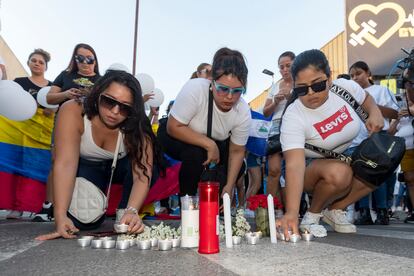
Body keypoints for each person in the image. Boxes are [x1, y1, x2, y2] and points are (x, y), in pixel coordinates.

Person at [36, 70, 164, 240]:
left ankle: (124, 214)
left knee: (150, 167)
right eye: (109, 101)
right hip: (86, 166)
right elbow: (65, 163)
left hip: (121, 168)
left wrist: (133, 210)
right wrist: (60, 216)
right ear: (97, 94)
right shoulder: (73, 110)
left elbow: (142, 173)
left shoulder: (138, 123)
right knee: (82, 223)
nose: (115, 111)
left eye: (125, 107)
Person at [276, 49, 384, 239]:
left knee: (381, 162)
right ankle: (311, 215)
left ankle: (335, 210)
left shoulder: (344, 87)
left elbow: (367, 100)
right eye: (301, 89)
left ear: (329, 77)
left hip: (346, 155)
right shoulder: (294, 115)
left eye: (317, 85)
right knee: (340, 171)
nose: (310, 93)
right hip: (309, 168)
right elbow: (294, 164)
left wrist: (375, 113)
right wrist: (291, 212)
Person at [158, 47, 250, 201]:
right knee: (196, 153)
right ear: (211, 82)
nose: (229, 97)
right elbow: (173, 127)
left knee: (237, 167)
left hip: (213, 141)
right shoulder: (195, 88)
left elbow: (237, 151)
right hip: (175, 133)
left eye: (237, 91)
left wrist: (229, 185)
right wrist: (209, 144)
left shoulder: (243, 111)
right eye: (223, 89)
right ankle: (187, 205)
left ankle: (217, 206)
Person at [33, 43, 101, 222]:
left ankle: (75, 206)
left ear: (95, 60)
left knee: (83, 163)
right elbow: (48, 97)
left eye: (89, 59)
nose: (85, 62)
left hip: (89, 125)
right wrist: (67, 94)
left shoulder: (102, 80)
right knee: (58, 161)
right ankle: (48, 205)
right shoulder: (66, 75)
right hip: (64, 123)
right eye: (80, 58)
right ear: (74, 59)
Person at [5, 49, 54, 219]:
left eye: (41, 62)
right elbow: (8, 100)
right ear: (28, 63)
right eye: (34, 60)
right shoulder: (19, 82)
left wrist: (50, 110)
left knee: (40, 169)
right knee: (18, 167)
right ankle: (16, 208)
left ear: (46, 66)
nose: (37, 64)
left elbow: (58, 107)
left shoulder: (52, 87)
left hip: (43, 136)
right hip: (20, 133)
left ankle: (37, 206)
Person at [349, 61, 399, 225]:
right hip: (357, 140)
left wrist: (371, 105)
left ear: (368, 72)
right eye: (352, 76)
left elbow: (394, 112)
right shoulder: (351, 95)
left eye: (358, 73)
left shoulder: (380, 90)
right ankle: (364, 212)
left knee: (379, 175)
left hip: (378, 137)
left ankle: (382, 211)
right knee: (360, 175)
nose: (355, 78)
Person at [263, 51, 295, 203]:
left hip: (295, 126)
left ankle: (293, 206)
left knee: (292, 169)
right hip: (276, 127)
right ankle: (269, 208)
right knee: (274, 170)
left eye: (288, 65)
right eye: (281, 67)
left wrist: (292, 97)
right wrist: (275, 101)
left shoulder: (301, 82)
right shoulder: (275, 86)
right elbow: (265, 112)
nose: (284, 70)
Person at [390, 68, 414, 223]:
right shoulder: (399, 105)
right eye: (407, 85)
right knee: (410, 180)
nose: (409, 88)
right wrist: (398, 118)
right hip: (406, 148)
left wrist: (411, 111)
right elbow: (390, 131)